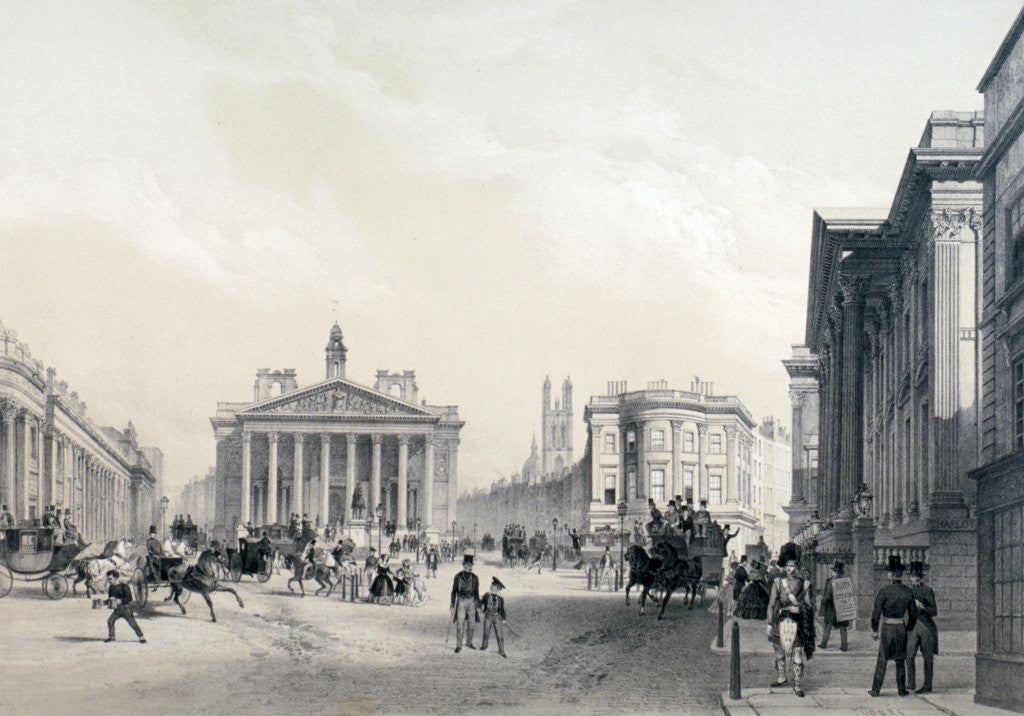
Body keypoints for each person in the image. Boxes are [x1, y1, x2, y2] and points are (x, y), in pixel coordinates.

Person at [766, 542, 815, 697]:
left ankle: (797, 684)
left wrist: (806, 604)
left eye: (792, 566)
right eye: (787, 566)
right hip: (781, 620)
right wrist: (768, 623)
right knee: (779, 651)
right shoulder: (778, 583)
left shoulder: (804, 584)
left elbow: (809, 605)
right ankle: (781, 676)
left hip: (798, 620)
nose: (789, 569)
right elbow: (772, 604)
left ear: (797, 566)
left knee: (798, 652)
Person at [869, 555, 919, 697]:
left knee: (882, 660)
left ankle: (875, 690)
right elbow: (913, 615)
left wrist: (874, 630)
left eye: (889, 572)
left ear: (890, 575)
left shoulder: (884, 591)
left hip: (887, 628)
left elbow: (876, 613)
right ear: (901, 575)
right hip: (901, 628)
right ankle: (901, 690)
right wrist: (908, 629)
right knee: (900, 660)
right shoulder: (908, 592)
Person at [906, 561, 938, 694]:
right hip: (913, 626)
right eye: (912, 576)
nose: (914, 578)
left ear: (921, 577)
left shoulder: (928, 590)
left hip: (926, 626)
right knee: (909, 655)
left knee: (928, 657)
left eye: (917, 576)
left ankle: (927, 685)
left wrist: (922, 606)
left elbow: (934, 611)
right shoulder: (908, 591)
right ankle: (911, 683)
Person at [450, 554, 481, 653]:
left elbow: (476, 592)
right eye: (467, 566)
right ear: (464, 566)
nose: (469, 568)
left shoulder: (475, 578)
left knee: (471, 623)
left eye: (471, 566)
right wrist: (452, 603)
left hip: (471, 601)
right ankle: (459, 645)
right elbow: (454, 591)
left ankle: (469, 642)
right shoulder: (458, 577)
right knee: (460, 623)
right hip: (461, 601)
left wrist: (478, 605)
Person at [104, 570, 145, 643]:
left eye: (110, 579)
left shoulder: (124, 586)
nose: (109, 581)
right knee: (110, 621)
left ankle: (141, 637)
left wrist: (121, 601)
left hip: (126, 609)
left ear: (116, 577)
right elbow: (110, 599)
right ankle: (112, 636)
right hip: (117, 610)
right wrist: (103, 602)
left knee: (133, 624)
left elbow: (129, 598)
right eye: (108, 579)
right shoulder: (111, 588)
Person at [818, 561, 850, 651]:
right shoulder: (845, 581)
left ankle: (824, 643)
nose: (832, 573)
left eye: (833, 571)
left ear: (836, 572)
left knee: (828, 625)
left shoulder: (831, 582)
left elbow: (827, 596)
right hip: (843, 607)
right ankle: (844, 646)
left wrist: (823, 601)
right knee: (843, 627)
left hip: (832, 608)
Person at [480, 576, 508, 657]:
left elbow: (502, 610)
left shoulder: (500, 599)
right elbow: (480, 603)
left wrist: (504, 619)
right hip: (488, 616)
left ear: (498, 589)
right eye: (492, 587)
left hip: (497, 618)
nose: (492, 589)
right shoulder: (486, 596)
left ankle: (502, 651)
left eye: (495, 588)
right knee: (486, 632)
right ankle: (484, 646)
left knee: (499, 634)